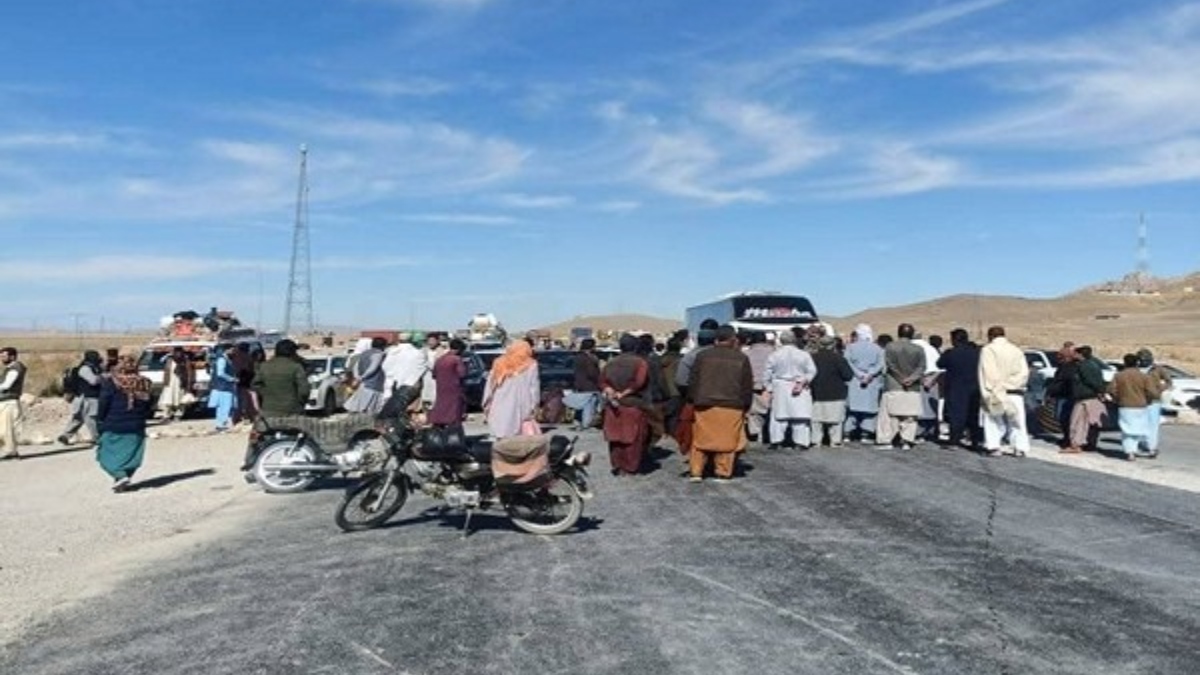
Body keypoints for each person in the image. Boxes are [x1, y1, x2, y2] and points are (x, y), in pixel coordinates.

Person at [687, 326, 753, 482]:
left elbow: (693, 381)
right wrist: (746, 405)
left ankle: (696, 472)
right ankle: (723, 472)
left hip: (704, 403)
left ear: (716, 340)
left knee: (700, 438)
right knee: (727, 441)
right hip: (732, 404)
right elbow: (746, 385)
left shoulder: (702, 356)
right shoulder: (741, 358)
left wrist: (692, 400)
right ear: (733, 340)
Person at [95, 356, 154, 492]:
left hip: (114, 425)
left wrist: (100, 420)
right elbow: (149, 405)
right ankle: (122, 480)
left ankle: (119, 476)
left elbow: (104, 404)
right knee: (131, 455)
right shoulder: (144, 383)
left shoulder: (112, 383)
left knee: (105, 456)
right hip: (136, 426)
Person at [978, 326, 1031, 458]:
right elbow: (1023, 373)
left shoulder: (988, 350)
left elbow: (987, 372)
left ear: (990, 336)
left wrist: (993, 388)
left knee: (993, 420)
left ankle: (994, 446)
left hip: (995, 391)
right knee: (1017, 421)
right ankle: (1020, 447)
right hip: (1014, 391)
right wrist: (1011, 383)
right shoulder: (1016, 350)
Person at [601, 335, 650, 476]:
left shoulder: (610, 362)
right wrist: (623, 393)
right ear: (635, 347)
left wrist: (610, 391)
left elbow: (602, 381)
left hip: (613, 404)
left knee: (615, 438)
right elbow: (639, 382)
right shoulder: (640, 363)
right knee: (632, 438)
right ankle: (629, 467)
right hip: (632, 404)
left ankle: (617, 464)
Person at [763, 330, 818, 449]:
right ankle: (801, 442)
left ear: (781, 341)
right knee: (800, 417)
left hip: (780, 387)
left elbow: (767, 373)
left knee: (778, 416)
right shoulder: (804, 355)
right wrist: (804, 381)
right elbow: (812, 371)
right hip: (799, 385)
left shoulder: (774, 355)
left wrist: (769, 388)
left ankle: (776, 441)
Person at [674, 319, 720, 456]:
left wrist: (689, 395)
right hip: (723, 400)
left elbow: (681, 380)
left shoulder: (690, 356)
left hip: (696, 400)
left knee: (697, 433)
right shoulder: (728, 356)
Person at [879, 324, 926, 449]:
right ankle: (906, 441)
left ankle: (887, 440)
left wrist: (900, 377)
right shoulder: (918, 349)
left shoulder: (890, 346)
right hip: (912, 387)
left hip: (893, 385)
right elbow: (922, 367)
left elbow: (890, 364)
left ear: (898, 333)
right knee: (910, 416)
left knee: (889, 416)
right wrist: (912, 378)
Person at [1109, 353, 1161, 461]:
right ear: (1137, 363)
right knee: (1143, 428)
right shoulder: (1144, 376)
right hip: (1141, 406)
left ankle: (1130, 453)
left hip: (1125, 406)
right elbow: (1152, 392)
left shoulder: (1119, 376)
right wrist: (1149, 399)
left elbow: (1111, 390)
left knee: (1127, 429)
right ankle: (1151, 449)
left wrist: (1118, 398)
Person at [483, 341, 541, 439]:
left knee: (501, 430)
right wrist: (534, 404)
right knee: (518, 433)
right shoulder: (531, 364)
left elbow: (491, 384)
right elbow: (534, 387)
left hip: (500, 400)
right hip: (522, 402)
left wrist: (487, 401)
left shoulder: (499, 362)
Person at [937, 329, 982, 449]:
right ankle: (975, 440)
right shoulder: (977, 353)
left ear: (955, 340)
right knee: (973, 415)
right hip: (975, 387)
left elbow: (940, 363)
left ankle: (954, 441)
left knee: (956, 415)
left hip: (956, 388)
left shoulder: (951, 353)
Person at [1063, 345, 1108, 454]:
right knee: (1084, 423)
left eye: (1075, 353)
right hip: (1088, 397)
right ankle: (1080, 443)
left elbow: (1091, 381)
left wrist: (1100, 391)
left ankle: (1076, 445)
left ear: (1080, 354)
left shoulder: (1084, 366)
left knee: (1077, 422)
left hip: (1085, 398)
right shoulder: (1093, 364)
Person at [844, 324, 885, 444]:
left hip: (855, 381)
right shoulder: (877, 349)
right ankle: (865, 434)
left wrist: (859, 374)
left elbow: (847, 362)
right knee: (869, 409)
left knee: (852, 408)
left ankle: (848, 432)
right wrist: (870, 374)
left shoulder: (850, 347)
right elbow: (881, 364)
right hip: (871, 381)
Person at [810, 335, 854, 447]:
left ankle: (816, 441)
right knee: (836, 420)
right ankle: (835, 441)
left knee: (816, 420)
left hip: (817, 392)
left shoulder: (812, 358)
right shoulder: (838, 358)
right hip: (836, 393)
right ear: (833, 345)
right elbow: (848, 375)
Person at [251, 340, 311, 418]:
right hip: (292, 412)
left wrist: (267, 394)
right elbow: (304, 391)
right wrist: (300, 403)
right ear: (292, 352)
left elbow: (255, 385)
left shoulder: (264, 366)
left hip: (268, 412)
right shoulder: (296, 367)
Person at [58, 350, 104, 446]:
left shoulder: (94, 368)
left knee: (79, 418)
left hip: (87, 397)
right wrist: (103, 377)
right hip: (87, 397)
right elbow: (93, 381)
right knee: (91, 418)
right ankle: (97, 437)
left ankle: (66, 436)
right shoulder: (85, 369)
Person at [1138, 348, 1171, 458]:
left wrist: (1160, 389)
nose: (1144, 360)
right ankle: (1136, 445)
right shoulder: (1135, 369)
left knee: (1153, 425)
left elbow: (1168, 381)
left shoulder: (1158, 369)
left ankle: (1152, 447)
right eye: (1142, 358)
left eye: (1146, 358)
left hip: (1154, 401)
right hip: (1138, 400)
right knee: (1139, 424)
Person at [564, 338, 603, 430]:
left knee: (579, 405)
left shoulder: (577, 357)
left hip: (579, 384)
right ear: (591, 347)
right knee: (589, 405)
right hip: (590, 386)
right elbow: (592, 373)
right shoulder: (589, 358)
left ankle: (577, 423)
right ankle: (586, 424)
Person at [744, 331, 775, 445]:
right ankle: (767, 434)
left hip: (752, 386)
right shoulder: (773, 352)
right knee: (770, 411)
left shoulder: (747, 354)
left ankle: (755, 434)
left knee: (754, 412)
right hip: (770, 387)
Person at [428, 339, 468, 427]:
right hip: (454, 390)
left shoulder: (440, 359)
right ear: (458, 350)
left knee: (441, 408)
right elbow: (462, 374)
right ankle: (453, 431)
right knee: (454, 411)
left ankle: (439, 427)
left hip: (441, 389)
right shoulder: (456, 359)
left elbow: (434, 375)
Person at [1045, 342, 1079, 447]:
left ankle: (1069, 439)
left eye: (1062, 355)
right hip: (1063, 394)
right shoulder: (1063, 367)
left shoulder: (1071, 367)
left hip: (1067, 395)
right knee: (1062, 418)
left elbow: (1061, 380)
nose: (1059, 357)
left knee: (1065, 418)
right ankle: (1067, 437)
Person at [344, 338, 388, 414]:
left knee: (360, 409)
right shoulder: (379, 354)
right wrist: (362, 377)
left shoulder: (364, 353)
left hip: (363, 385)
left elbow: (356, 367)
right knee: (371, 411)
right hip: (373, 385)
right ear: (383, 346)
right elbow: (373, 368)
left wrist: (358, 377)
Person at [383, 334, 429, 401]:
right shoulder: (418, 353)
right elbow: (422, 368)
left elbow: (385, 366)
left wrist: (391, 375)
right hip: (410, 384)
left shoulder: (392, 351)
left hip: (392, 382)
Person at [0, 347, 27, 461]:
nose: (1, 358)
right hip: (6, 402)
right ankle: (11, 451)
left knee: (7, 429)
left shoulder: (16, 368)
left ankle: (11, 452)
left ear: (12, 356)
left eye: (4, 356)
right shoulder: (10, 368)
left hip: (9, 402)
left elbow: (6, 385)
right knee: (5, 429)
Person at [207, 345, 239, 432]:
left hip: (221, 386)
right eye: (232, 349)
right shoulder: (222, 359)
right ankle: (222, 424)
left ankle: (220, 424)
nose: (233, 351)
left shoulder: (223, 359)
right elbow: (220, 373)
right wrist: (232, 379)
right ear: (227, 350)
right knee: (225, 406)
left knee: (221, 406)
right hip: (224, 386)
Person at [157, 347, 195, 421]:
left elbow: (189, 373)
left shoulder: (185, 361)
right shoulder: (169, 360)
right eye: (176, 352)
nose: (178, 354)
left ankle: (178, 415)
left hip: (180, 383)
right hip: (170, 383)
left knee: (180, 400)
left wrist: (189, 385)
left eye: (179, 352)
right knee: (167, 400)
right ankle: (166, 415)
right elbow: (164, 367)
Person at [659, 338, 685, 438]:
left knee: (665, 414)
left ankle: (664, 432)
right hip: (677, 391)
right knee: (675, 416)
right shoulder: (682, 360)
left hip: (662, 391)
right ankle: (672, 433)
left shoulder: (660, 359)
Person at [421, 334, 447, 409]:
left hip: (438, 378)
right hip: (426, 377)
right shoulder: (423, 351)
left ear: (437, 341)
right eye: (429, 341)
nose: (431, 343)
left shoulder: (443, 352)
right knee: (426, 397)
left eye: (433, 341)